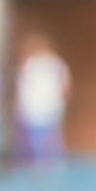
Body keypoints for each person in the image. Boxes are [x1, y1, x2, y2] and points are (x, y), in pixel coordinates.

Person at [13, 33, 71, 167]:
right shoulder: (29, 64)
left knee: (52, 136)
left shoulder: (56, 64)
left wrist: (64, 101)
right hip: (34, 107)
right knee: (36, 138)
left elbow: (65, 85)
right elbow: (22, 86)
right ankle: (39, 162)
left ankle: (56, 162)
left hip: (51, 105)